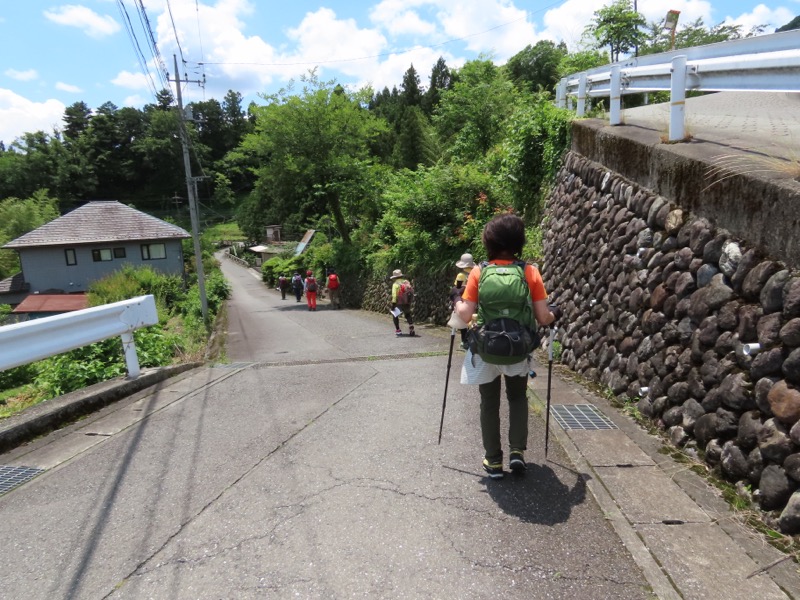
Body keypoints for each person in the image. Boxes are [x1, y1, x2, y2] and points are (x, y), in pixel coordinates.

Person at [453, 214, 560, 480]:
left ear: (489, 241)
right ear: (518, 241)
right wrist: (556, 313)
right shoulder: (529, 271)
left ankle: (493, 460)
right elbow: (543, 317)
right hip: (518, 349)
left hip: (487, 348)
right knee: (517, 398)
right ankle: (517, 453)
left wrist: (457, 298)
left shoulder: (479, 271)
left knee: (489, 402)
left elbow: (465, 316)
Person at [451, 253, 475, 350]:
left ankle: (464, 341)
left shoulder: (461, 274)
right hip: (474, 301)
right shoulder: (477, 272)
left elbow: (457, 287)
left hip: (464, 300)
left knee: (463, 324)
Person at [389, 269, 415, 337]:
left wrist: (393, 305)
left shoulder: (395, 284)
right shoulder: (406, 282)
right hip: (407, 302)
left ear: (394, 277)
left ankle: (398, 330)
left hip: (398, 303)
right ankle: (411, 327)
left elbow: (394, 295)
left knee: (395, 316)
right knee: (408, 314)